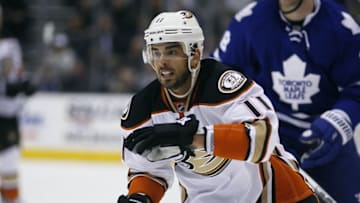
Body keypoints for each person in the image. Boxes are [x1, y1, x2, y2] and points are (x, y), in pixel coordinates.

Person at [117, 10, 319, 203]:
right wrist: (140, 196)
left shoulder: (223, 85)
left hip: (272, 194)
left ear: (194, 54)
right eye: (156, 52)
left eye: (171, 52)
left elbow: (263, 138)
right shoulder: (142, 109)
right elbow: (147, 170)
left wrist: (193, 138)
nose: (162, 62)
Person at [212, 0, 360, 202]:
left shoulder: (343, 27)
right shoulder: (248, 22)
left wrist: (337, 122)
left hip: (327, 136)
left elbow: (355, 88)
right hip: (272, 136)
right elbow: (218, 78)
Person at [0, 4, 35, 203]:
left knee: (9, 163)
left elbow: (16, 73)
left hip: (8, 115)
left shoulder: (11, 44)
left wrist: (25, 83)